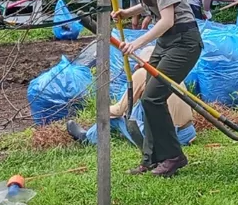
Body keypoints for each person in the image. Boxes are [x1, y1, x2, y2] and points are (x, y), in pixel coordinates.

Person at [110, 0, 202, 177]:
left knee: (152, 97)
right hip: (166, 42)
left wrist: (137, 43)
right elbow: (152, 3)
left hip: (184, 41)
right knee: (149, 99)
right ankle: (150, 158)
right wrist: (129, 13)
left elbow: (167, 19)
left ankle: (174, 156)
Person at [66, 47, 198, 148]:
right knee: (143, 104)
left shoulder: (143, 73)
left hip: (167, 139)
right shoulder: (172, 73)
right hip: (187, 133)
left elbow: (119, 110)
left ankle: (88, 138)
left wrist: (101, 110)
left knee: (115, 118)